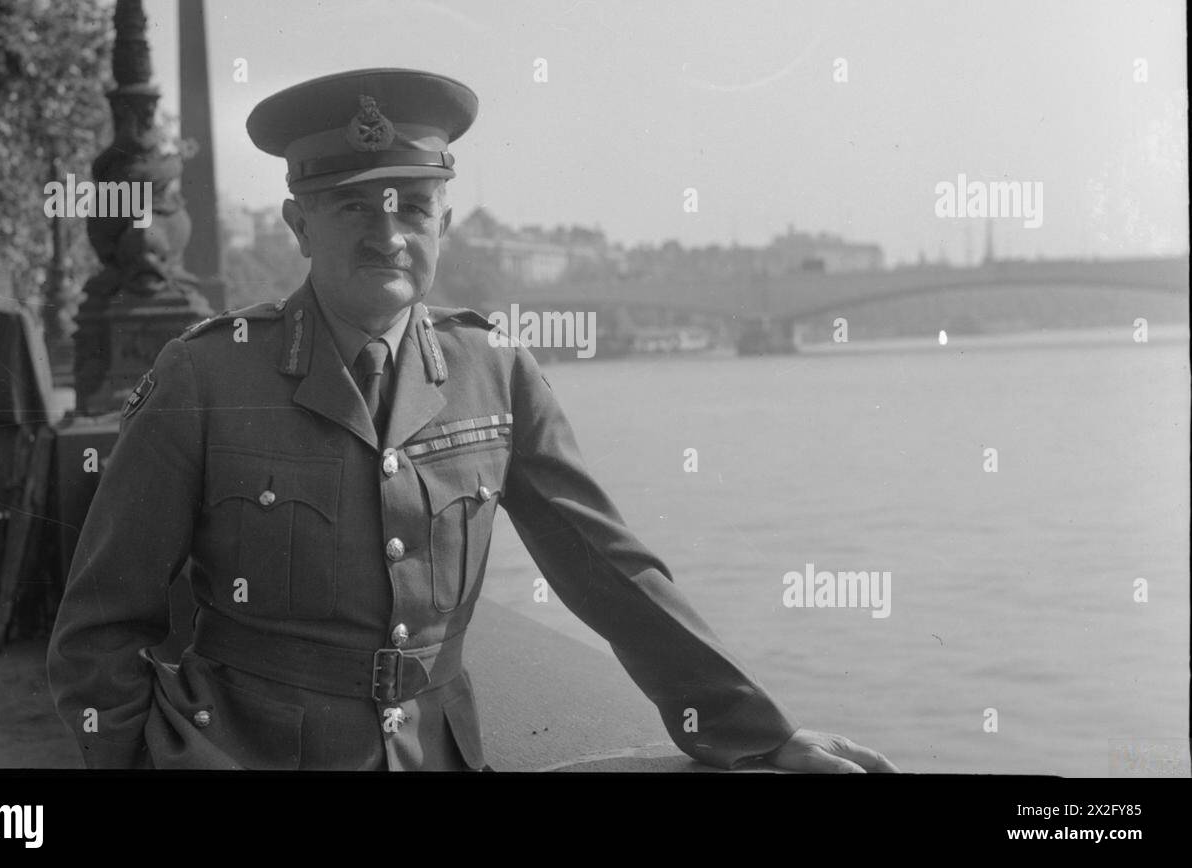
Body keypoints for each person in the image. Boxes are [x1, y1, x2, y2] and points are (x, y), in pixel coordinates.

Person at [48, 67, 898, 773]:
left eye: (412, 207)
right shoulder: (205, 377)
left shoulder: (495, 372)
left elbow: (609, 571)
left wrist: (760, 734)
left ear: (444, 223)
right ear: (300, 224)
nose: (388, 235)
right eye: (353, 207)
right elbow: (99, 628)